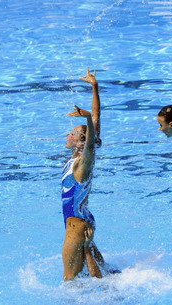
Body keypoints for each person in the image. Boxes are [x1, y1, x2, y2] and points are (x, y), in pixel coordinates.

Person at [61, 68, 105, 281]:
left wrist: (87, 120)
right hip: (83, 220)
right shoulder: (76, 160)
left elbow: (91, 144)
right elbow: (96, 118)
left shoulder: (82, 165)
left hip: (76, 226)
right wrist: (94, 87)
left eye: (73, 133)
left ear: (81, 142)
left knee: (70, 282)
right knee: (99, 273)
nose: (68, 134)